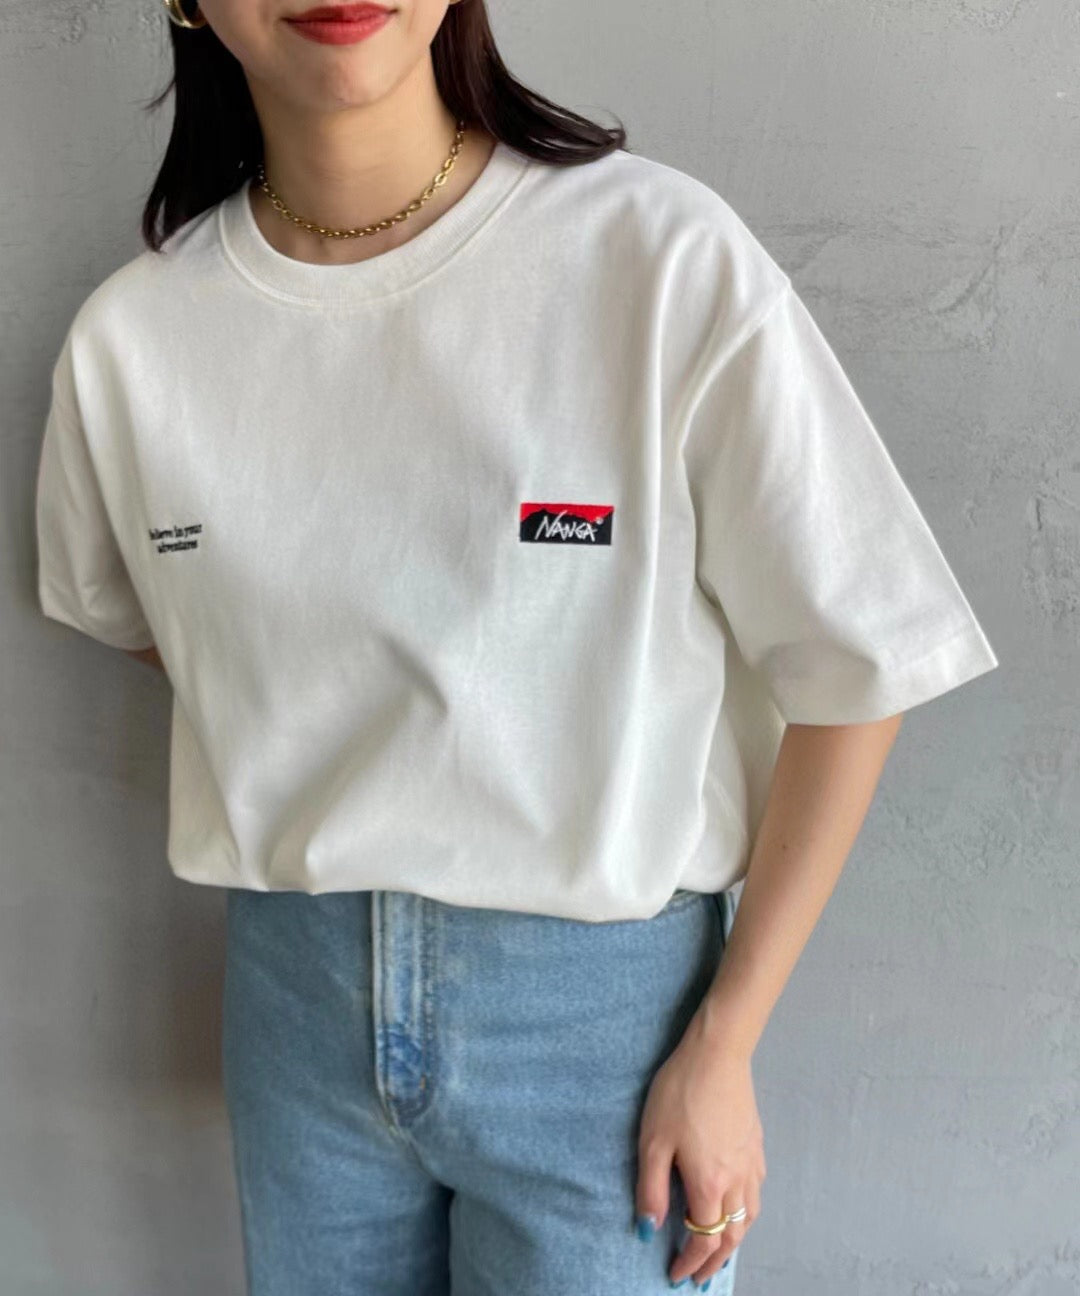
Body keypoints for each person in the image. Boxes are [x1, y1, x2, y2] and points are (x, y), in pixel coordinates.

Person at [32, 1, 1000, 1292]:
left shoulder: (654, 259)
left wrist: (725, 1040)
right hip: (293, 1012)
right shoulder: (134, 342)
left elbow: (859, 663)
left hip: (605, 1038)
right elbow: (154, 627)